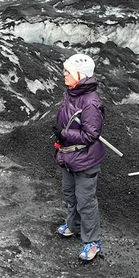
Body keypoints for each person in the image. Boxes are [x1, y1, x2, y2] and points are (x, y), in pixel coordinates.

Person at [52, 54, 106, 262]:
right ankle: (73, 225)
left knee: (85, 201)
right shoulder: (71, 93)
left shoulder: (91, 103)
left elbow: (91, 135)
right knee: (70, 194)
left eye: (67, 71)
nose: (64, 74)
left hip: (84, 159)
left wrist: (63, 134)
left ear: (80, 75)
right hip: (69, 156)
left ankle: (92, 242)